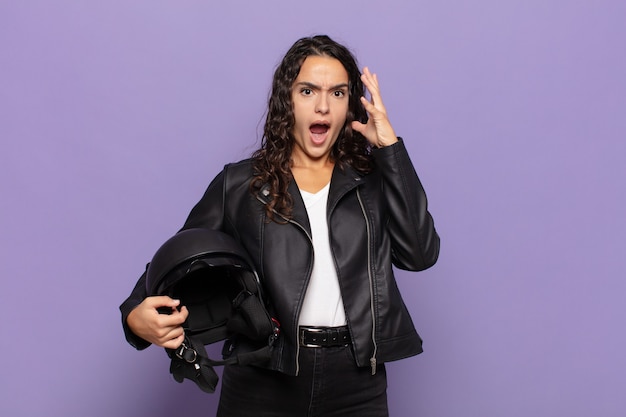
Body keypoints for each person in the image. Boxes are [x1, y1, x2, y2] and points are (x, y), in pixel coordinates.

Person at [120, 34, 440, 416]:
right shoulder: (240, 185)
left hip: (357, 382)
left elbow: (419, 254)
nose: (323, 106)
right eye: (308, 91)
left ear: (351, 105)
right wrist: (134, 316)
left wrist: (390, 148)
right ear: (287, 100)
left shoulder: (371, 180)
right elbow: (177, 259)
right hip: (263, 377)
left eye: (338, 94)